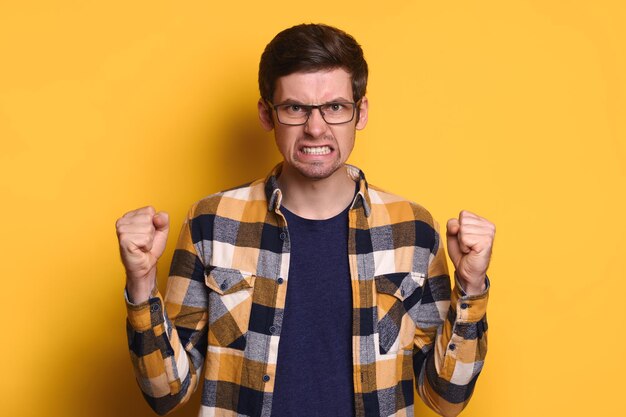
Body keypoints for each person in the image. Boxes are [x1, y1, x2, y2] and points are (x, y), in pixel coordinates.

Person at [116, 23, 495, 417]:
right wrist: (141, 285)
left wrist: (471, 286)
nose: (316, 128)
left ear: (359, 112)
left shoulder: (412, 230)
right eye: (295, 108)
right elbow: (167, 393)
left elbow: (446, 398)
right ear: (267, 114)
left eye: (334, 107)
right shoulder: (210, 223)